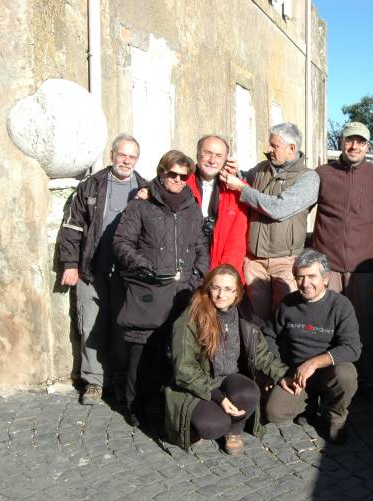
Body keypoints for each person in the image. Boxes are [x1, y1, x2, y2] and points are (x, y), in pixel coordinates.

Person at [113, 150, 209, 426]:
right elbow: (121, 242)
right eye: (173, 174)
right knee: (142, 353)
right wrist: (146, 267)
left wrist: (197, 276)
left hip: (183, 291)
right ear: (161, 172)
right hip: (150, 290)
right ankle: (135, 407)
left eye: (184, 176)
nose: (178, 180)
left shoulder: (192, 206)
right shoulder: (141, 205)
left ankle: (165, 405)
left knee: (174, 350)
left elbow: (201, 245)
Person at [57, 133, 145, 405]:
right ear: (112, 155)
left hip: (125, 275)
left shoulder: (145, 188)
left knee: (122, 328)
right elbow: (72, 227)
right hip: (91, 269)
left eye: (132, 156)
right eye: (122, 155)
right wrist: (70, 264)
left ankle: (119, 379)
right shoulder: (91, 186)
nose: (126, 161)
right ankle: (93, 382)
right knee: (90, 326)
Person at [164, 264, 290, 454]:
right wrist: (219, 398)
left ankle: (234, 431)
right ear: (208, 288)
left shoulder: (245, 315)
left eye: (228, 289)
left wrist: (283, 375)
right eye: (216, 288)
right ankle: (192, 427)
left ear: (237, 292)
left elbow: (261, 353)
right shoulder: (191, 318)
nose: (221, 295)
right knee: (215, 425)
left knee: (249, 392)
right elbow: (184, 369)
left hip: (229, 379)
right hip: (196, 386)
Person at [311, 121, 373, 398]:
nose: (354, 146)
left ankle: (368, 380)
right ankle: (325, 383)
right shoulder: (322, 174)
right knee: (325, 326)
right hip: (328, 267)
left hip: (364, 267)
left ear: (368, 146)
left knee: (365, 327)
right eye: (350, 140)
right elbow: (296, 207)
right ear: (341, 141)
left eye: (360, 142)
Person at [220, 123, 319, 321]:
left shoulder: (308, 178)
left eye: (274, 146)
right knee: (253, 320)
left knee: (286, 318)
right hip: (254, 262)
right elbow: (243, 183)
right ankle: (256, 353)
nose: (269, 150)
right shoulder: (260, 169)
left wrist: (241, 188)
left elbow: (278, 208)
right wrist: (237, 173)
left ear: (291, 148)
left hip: (285, 262)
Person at [263, 249, 361, 444]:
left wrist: (314, 363)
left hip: (329, 372)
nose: (305, 283)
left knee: (346, 374)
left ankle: (335, 416)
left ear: (325, 279)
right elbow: (269, 336)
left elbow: (352, 348)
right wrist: (279, 372)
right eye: (300, 277)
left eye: (311, 276)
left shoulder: (341, 305)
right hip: (295, 375)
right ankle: (308, 407)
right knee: (274, 413)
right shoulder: (287, 304)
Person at [185, 135, 248, 275]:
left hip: (221, 268)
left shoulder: (237, 191)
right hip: (187, 265)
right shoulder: (181, 183)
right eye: (208, 153)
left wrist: (227, 273)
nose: (212, 160)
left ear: (226, 160)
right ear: (197, 154)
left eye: (218, 156)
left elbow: (237, 239)